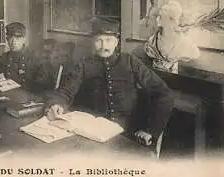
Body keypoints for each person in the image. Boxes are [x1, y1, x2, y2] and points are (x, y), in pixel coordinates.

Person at [45, 19, 175, 147]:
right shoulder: (84, 64)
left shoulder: (130, 61)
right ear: (92, 42)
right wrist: (56, 104)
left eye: (108, 40)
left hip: (127, 135)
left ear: (116, 42)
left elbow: (164, 93)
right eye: (99, 41)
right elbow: (65, 91)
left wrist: (151, 130)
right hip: (92, 135)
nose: (103, 46)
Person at [144, 0, 200, 74]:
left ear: (171, 20)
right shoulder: (151, 41)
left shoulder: (185, 43)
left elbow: (195, 54)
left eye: (161, 17)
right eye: (158, 16)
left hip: (175, 79)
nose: (157, 19)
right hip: (155, 76)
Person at [0, 22, 41, 90]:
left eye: (17, 39)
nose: (13, 42)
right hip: (11, 94)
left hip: (29, 96)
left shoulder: (33, 58)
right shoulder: (4, 58)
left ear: (24, 39)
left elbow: (40, 84)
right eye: (10, 38)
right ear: (7, 39)